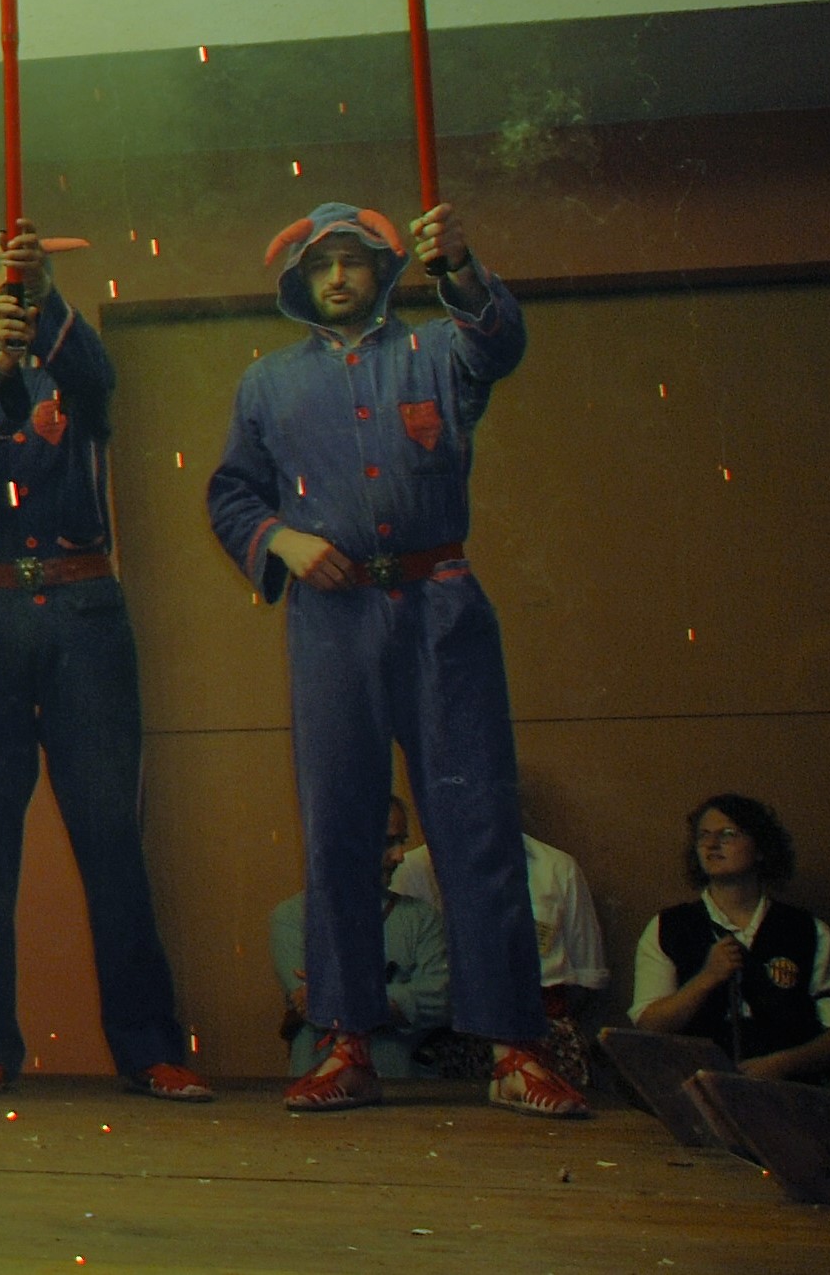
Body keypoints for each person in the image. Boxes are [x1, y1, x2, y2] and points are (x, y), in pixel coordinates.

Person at [205, 201, 589, 1118]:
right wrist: (281, 539)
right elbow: (231, 492)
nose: (337, 275)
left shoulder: (438, 351)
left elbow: (500, 343)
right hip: (330, 616)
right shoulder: (267, 382)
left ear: (384, 269)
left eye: (353, 259)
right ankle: (346, 1042)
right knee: (338, 821)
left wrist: (459, 266)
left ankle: (514, 1046)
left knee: (477, 819)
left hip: (442, 606)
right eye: (320, 263)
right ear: (299, 282)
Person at [0, 231, 208, 1102]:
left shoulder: (83, 381)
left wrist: (44, 313)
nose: (6, 282)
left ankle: (150, 1045)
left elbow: (93, 372)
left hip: (84, 611)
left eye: (21, 272)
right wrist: (4, 368)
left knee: (113, 834)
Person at [603, 794, 830, 1153]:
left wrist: (781, 1065)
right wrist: (707, 978)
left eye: (728, 834)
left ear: (761, 848)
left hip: (787, 1102)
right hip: (694, 1102)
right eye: (703, 836)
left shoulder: (807, 931)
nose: (712, 845)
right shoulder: (669, 927)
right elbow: (649, 1024)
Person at [390, 824, 605, 1090]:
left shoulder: (556, 868)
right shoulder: (410, 869)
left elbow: (585, 979)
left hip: (542, 1035)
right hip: (444, 1039)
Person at [268, 797, 451, 1073]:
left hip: (405, 1083)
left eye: (401, 841)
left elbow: (441, 1000)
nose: (400, 856)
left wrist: (344, 992)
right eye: (387, 842)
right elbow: (312, 1003)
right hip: (320, 1079)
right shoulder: (293, 918)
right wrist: (396, 1001)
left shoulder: (422, 918)